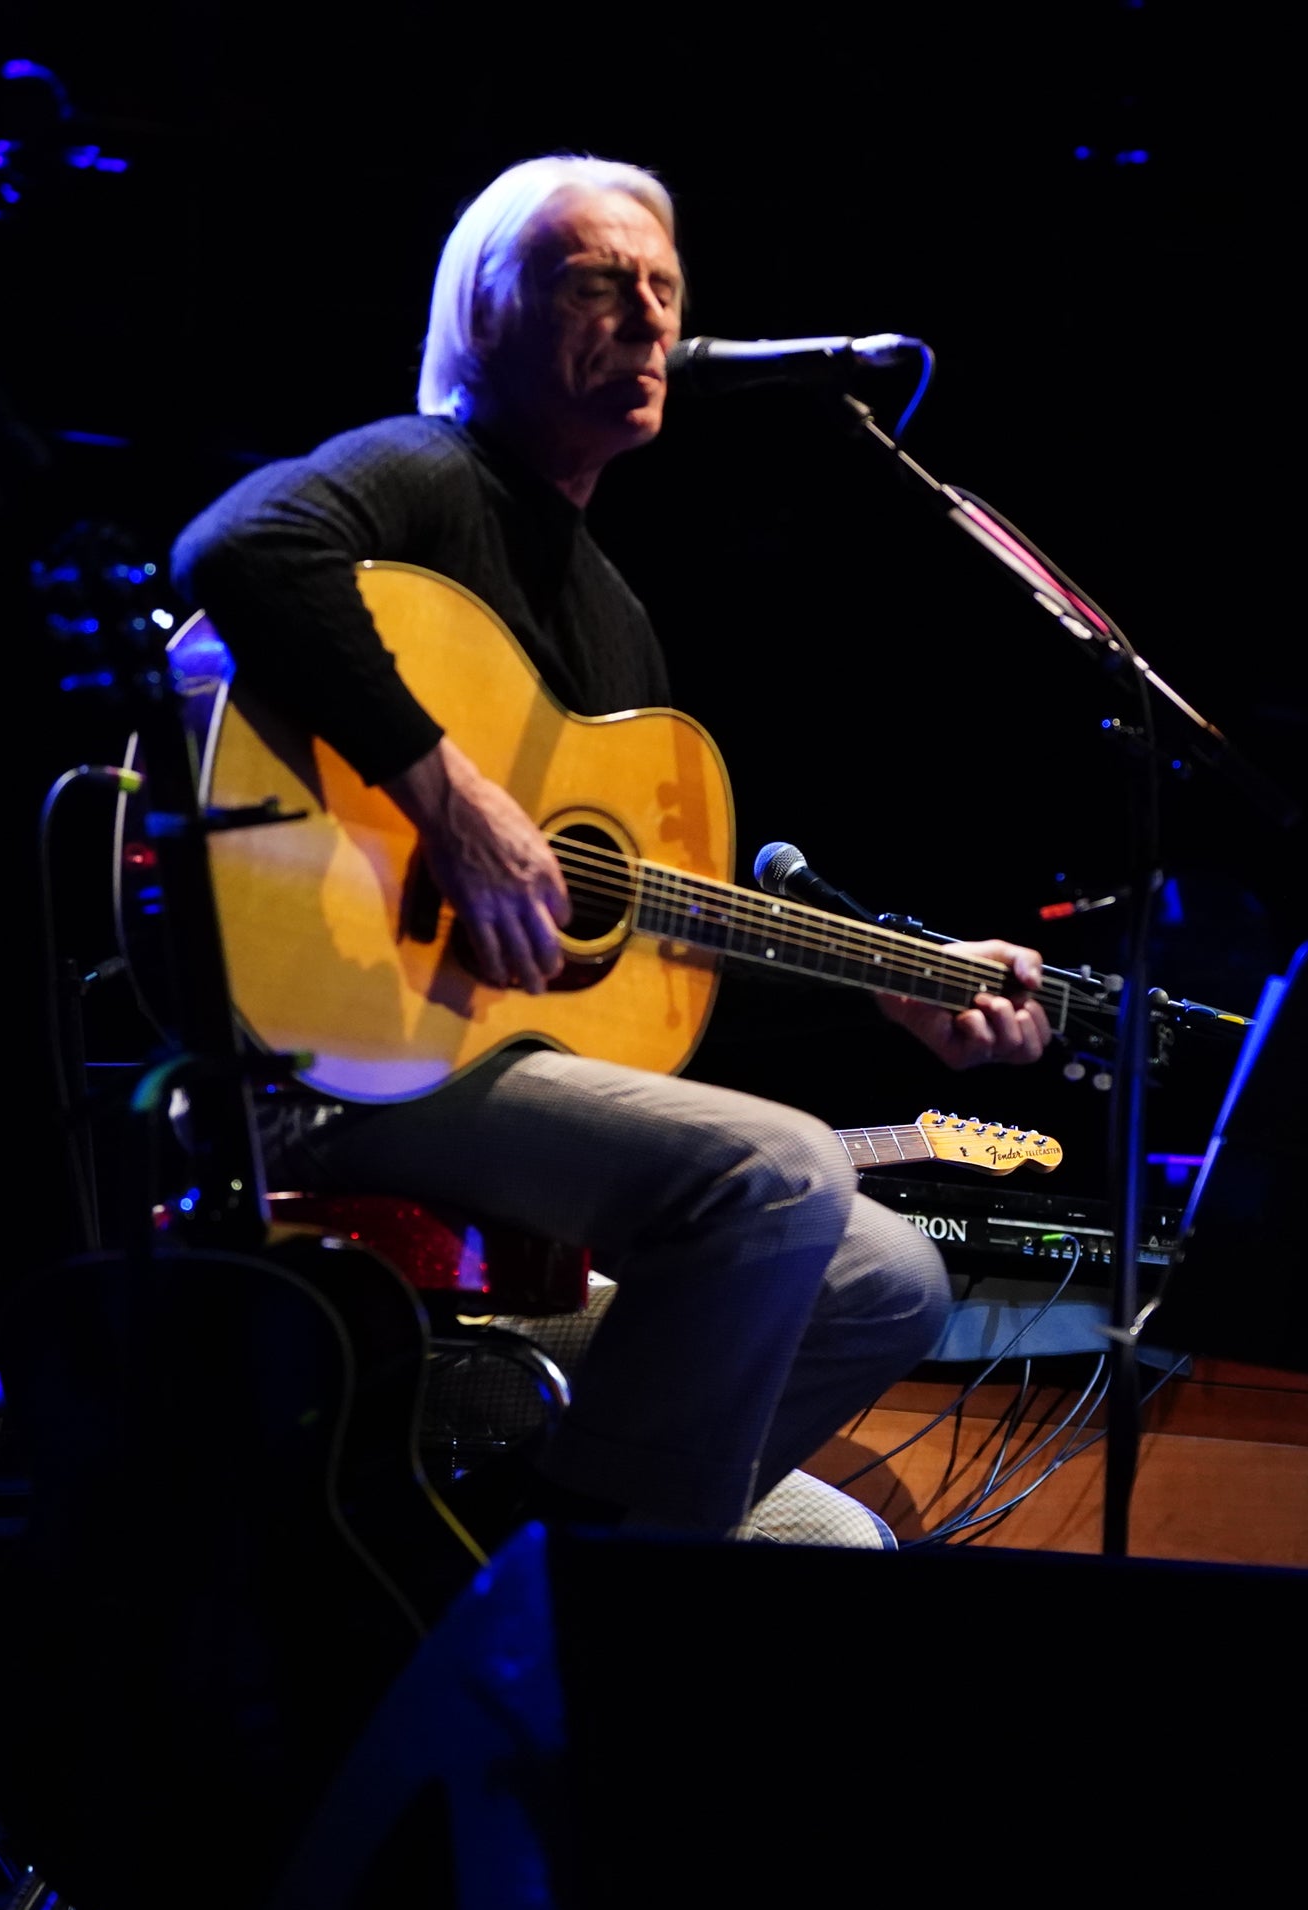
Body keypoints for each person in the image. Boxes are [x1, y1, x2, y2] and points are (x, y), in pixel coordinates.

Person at [173, 155, 1051, 1539]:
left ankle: (515, 1539)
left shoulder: (614, 615)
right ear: (487, 313)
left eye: (663, 287)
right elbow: (241, 547)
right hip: (329, 1064)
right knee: (780, 1173)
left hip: (493, 1070)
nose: (647, 318)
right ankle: (573, 1606)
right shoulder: (420, 474)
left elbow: (621, 945)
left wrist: (892, 978)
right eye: (598, 282)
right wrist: (456, 806)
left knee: (887, 1286)